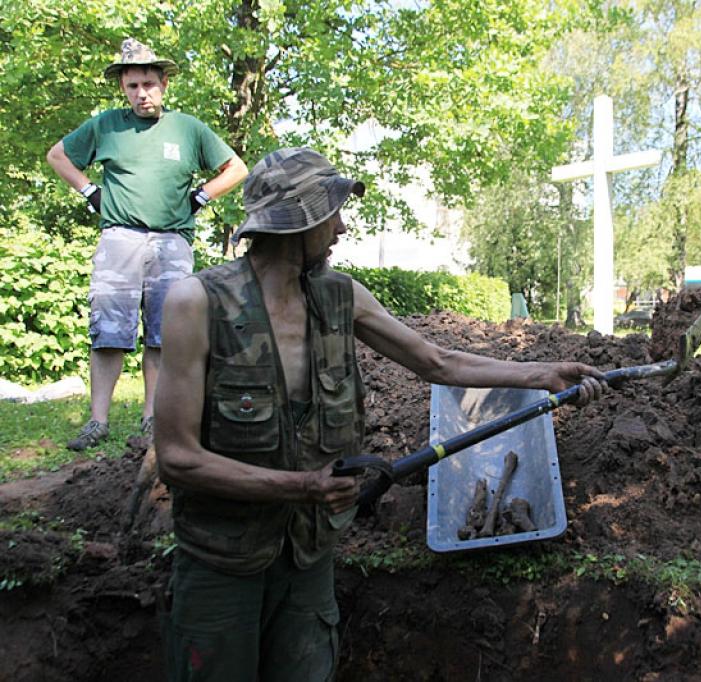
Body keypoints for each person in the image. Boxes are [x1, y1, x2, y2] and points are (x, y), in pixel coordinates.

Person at [153, 147, 607, 681]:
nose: (342, 227)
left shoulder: (342, 296)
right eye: (331, 213)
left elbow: (436, 361)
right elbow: (178, 459)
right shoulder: (197, 302)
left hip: (307, 558)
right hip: (219, 564)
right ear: (296, 222)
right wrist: (303, 486)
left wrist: (543, 374)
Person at [46, 38, 248, 451]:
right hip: (119, 238)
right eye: (133, 85)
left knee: (164, 333)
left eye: (149, 84)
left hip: (173, 240)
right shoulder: (106, 125)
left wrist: (201, 196)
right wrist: (90, 193)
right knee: (108, 331)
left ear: (164, 84)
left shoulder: (188, 129)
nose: (142, 93)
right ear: (123, 86)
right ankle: (97, 421)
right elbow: (57, 156)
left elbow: (237, 167)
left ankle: (151, 417)